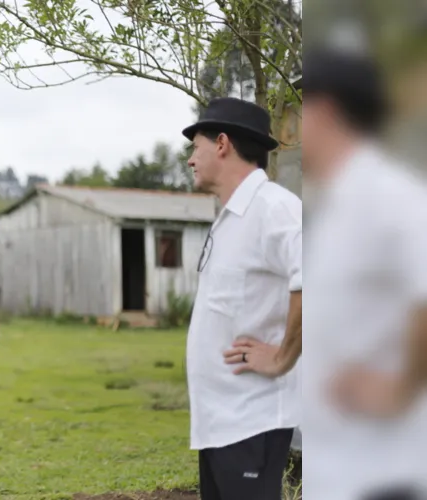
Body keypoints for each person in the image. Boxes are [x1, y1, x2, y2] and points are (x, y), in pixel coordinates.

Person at [297, 45, 427, 500]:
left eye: (301, 110)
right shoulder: (331, 205)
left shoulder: (391, 195)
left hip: (380, 475)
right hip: (335, 469)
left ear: (326, 112)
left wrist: (403, 391)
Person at [181, 97, 303, 500]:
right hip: (220, 422)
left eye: (194, 147)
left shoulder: (275, 209)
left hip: (253, 419)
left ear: (221, 144)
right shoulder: (230, 218)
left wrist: (284, 356)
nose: (190, 160)